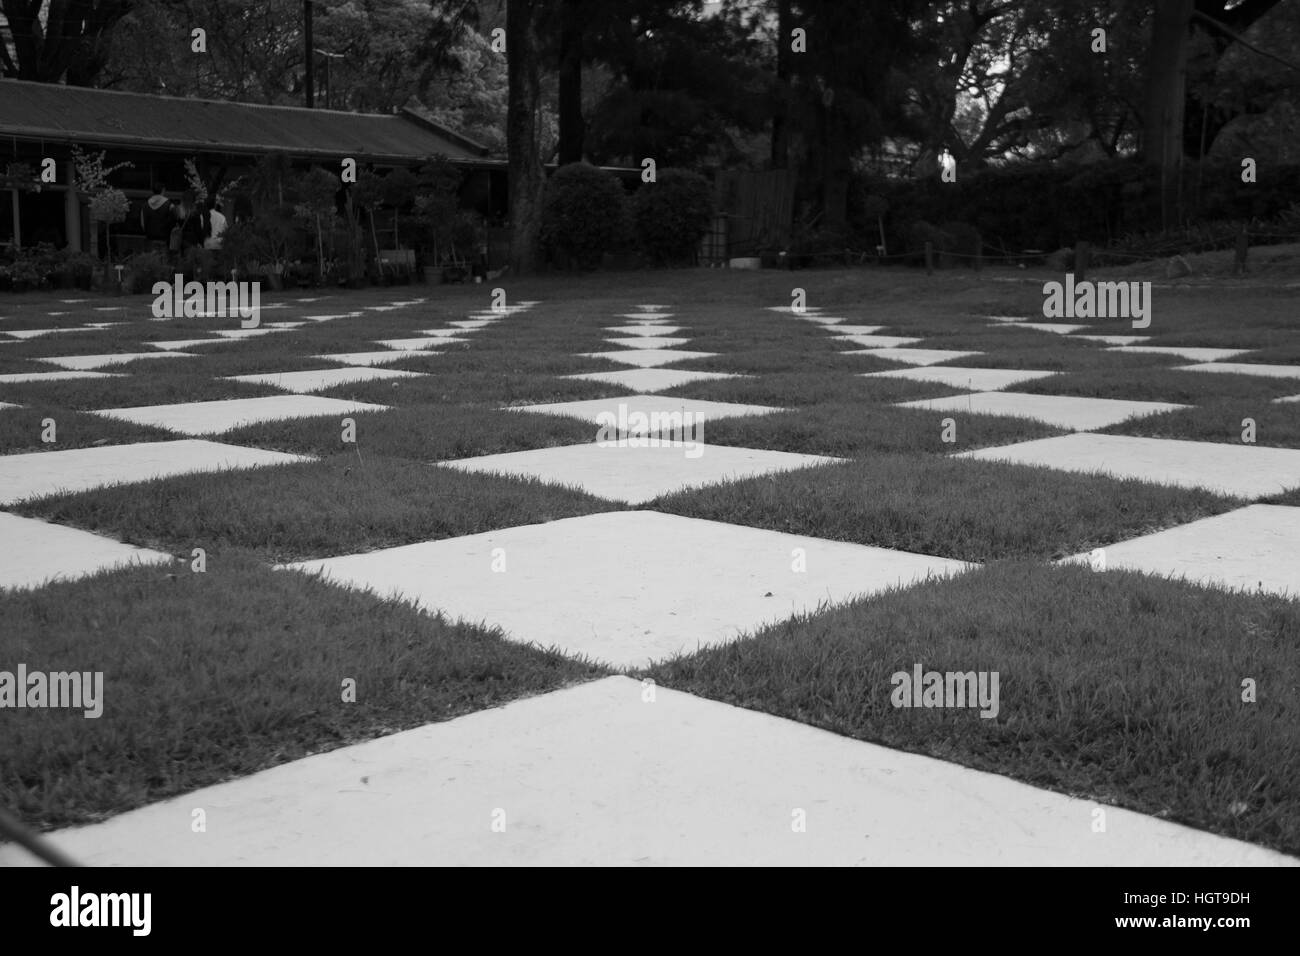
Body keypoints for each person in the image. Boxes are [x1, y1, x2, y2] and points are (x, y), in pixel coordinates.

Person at [141, 184, 175, 252]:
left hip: (150, 237)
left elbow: (142, 224)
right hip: (165, 238)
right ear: (163, 190)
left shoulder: (145, 205)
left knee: (152, 260)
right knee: (164, 260)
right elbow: (173, 222)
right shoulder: (169, 205)